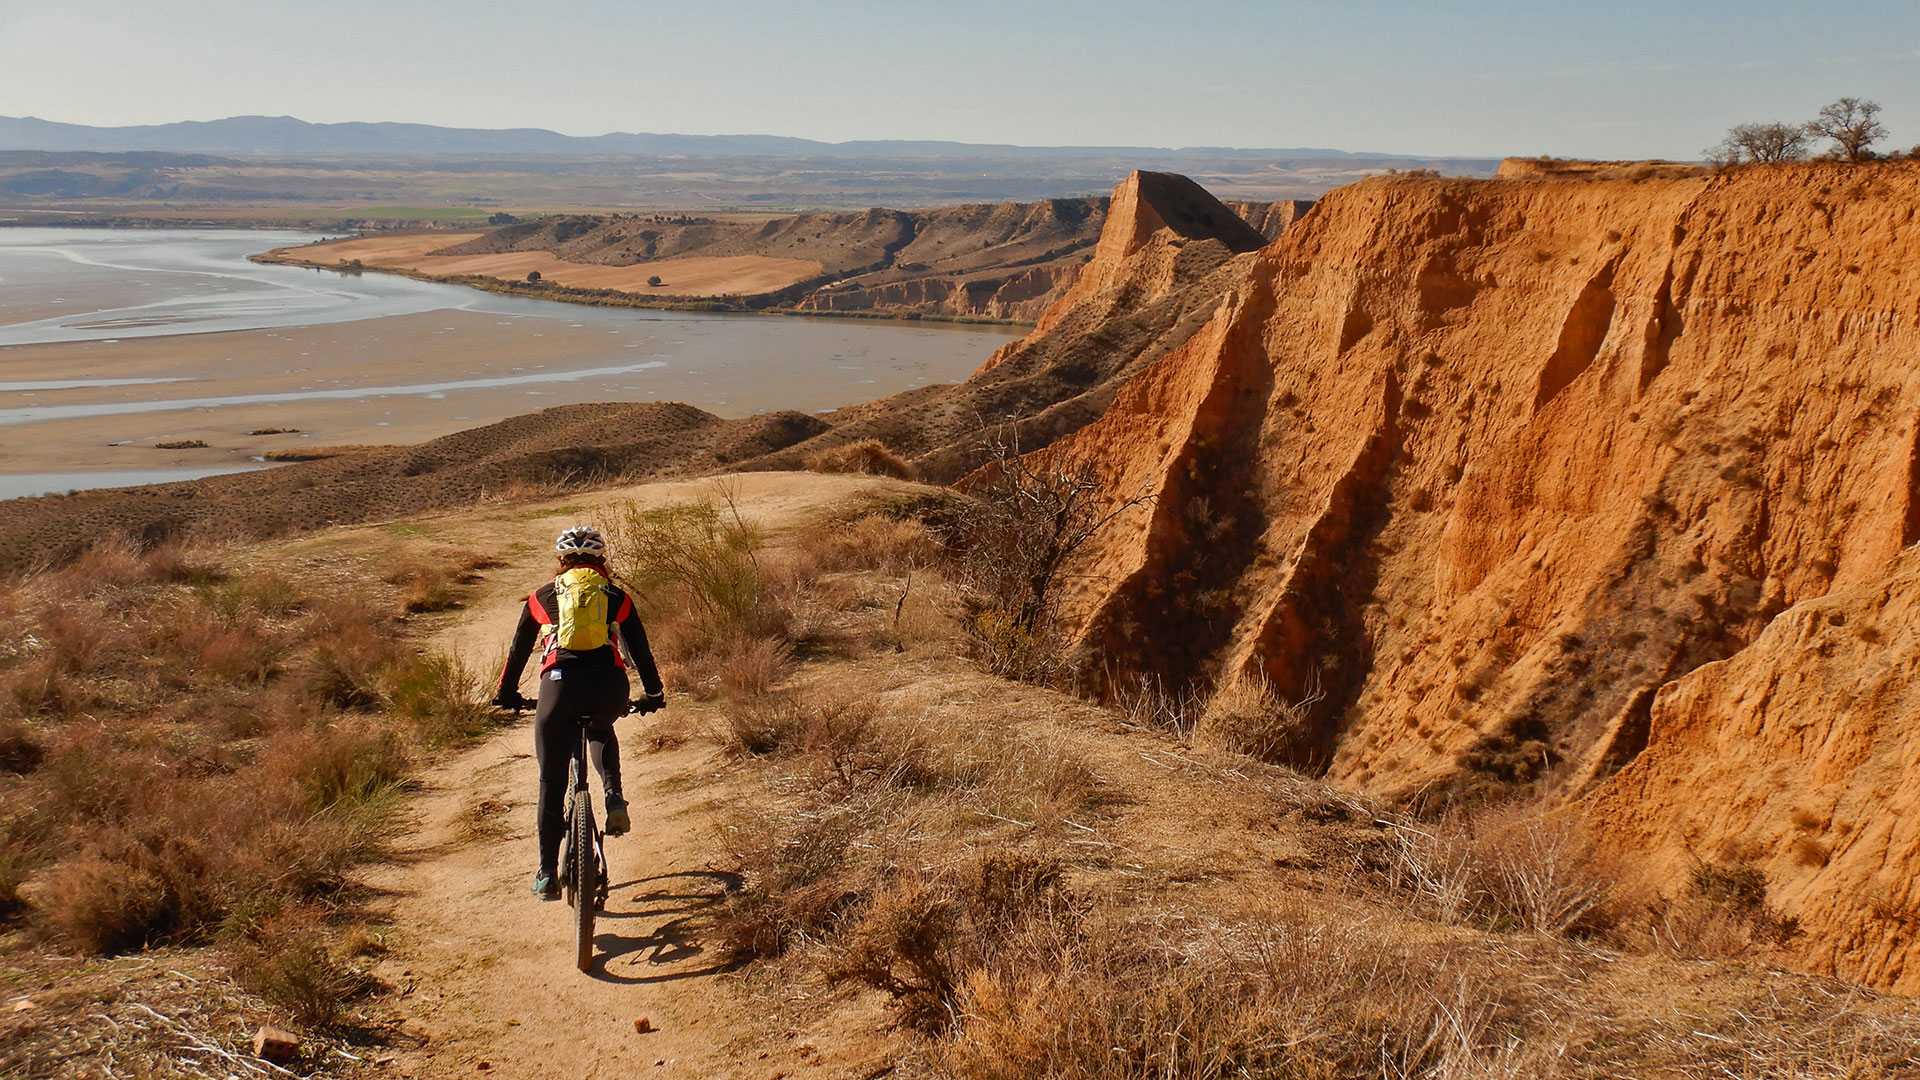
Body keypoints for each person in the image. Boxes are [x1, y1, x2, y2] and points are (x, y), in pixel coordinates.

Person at [493, 525, 665, 900]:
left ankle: (545, 874)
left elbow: (517, 651)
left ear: (562, 561)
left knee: (551, 784)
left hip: (559, 686)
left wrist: (506, 694)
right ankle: (614, 796)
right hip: (609, 685)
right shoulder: (618, 596)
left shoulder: (541, 596)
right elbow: (642, 653)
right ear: (601, 559)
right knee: (602, 726)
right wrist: (653, 693)